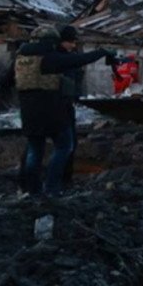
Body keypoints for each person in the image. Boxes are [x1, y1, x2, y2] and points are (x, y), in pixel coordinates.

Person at [14, 25, 114, 197]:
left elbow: (6, 81)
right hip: (52, 111)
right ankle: (52, 188)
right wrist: (102, 52)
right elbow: (79, 60)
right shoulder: (51, 58)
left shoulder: (21, 59)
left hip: (28, 112)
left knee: (34, 151)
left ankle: (32, 190)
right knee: (64, 146)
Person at [57, 25, 87, 186]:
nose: (74, 45)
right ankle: (57, 181)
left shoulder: (71, 57)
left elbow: (76, 79)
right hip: (56, 105)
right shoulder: (56, 58)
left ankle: (64, 179)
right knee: (65, 145)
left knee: (70, 144)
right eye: (71, 42)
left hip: (67, 105)